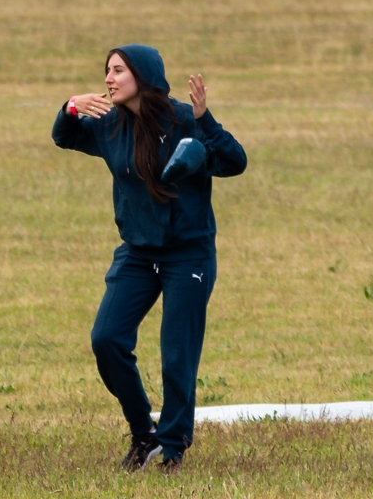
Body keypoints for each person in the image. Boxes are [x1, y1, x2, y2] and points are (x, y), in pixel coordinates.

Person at [54, 44, 246, 474]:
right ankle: (144, 434)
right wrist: (69, 108)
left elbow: (235, 161)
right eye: (106, 70)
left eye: (118, 71)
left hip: (188, 254)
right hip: (138, 254)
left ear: (143, 76)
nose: (108, 78)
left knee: (177, 354)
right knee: (107, 339)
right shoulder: (108, 125)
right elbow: (64, 136)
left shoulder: (182, 120)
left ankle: (172, 449)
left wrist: (205, 120)